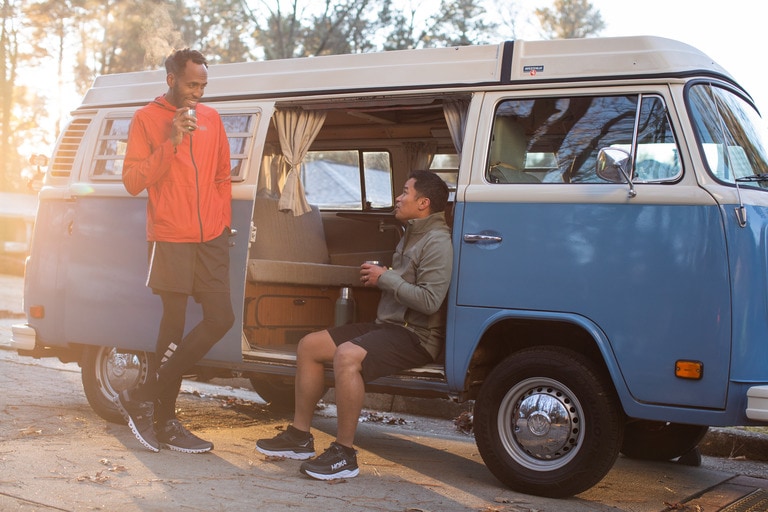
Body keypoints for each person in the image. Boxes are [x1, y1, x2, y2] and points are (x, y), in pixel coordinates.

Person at [256, 170, 452, 480]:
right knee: (310, 345)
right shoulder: (412, 233)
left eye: (405, 192)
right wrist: (385, 273)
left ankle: (344, 454)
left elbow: (430, 301)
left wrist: (385, 277)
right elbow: (407, 282)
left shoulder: (437, 241)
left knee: (347, 355)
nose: (399, 198)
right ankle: (299, 436)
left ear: (424, 202)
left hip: (416, 336)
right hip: (387, 326)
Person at [118, 48, 234, 454]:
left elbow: (223, 175)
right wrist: (171, 142)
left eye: (203, 85)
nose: (198, 93)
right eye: (191, 84)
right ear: (171, 79)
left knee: (221, 317)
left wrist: (220, 221)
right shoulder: (146, 119)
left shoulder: (214, 119)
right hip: (170, 236)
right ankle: (165, 421)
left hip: (211, 238)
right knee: (173, 324)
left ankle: (143, 393)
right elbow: (133, 180)